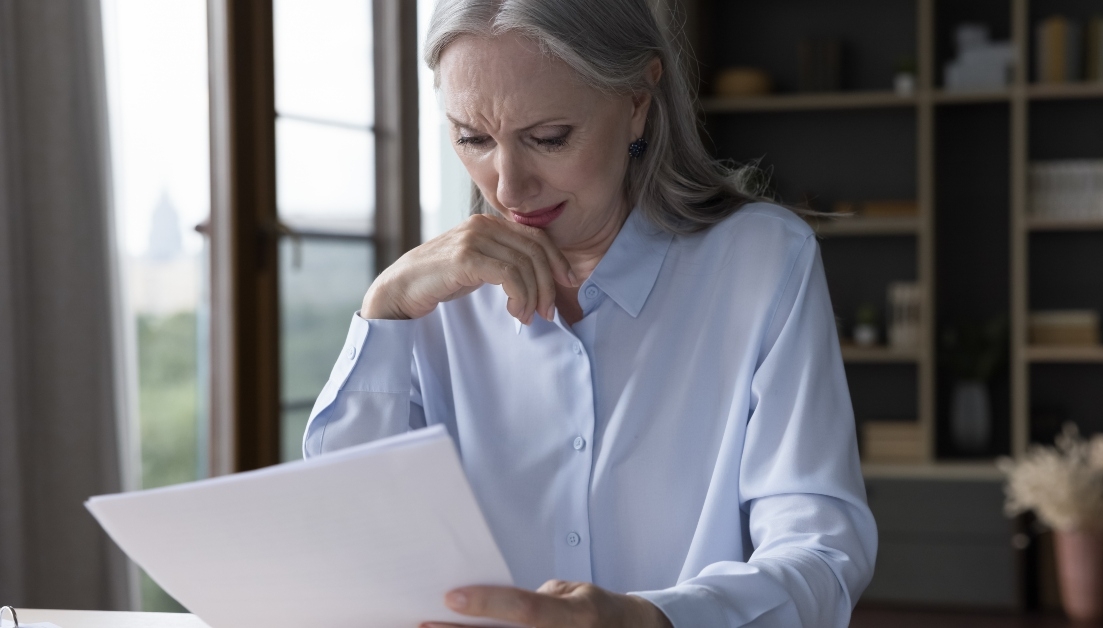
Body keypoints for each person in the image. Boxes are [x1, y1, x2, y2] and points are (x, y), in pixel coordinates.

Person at [303, 0, 877, 626]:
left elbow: (821, 552)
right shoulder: (436, 300)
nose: (508, 188)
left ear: (637, 101)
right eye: (473, 138)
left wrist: (651, 619)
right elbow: (348, 538)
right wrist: (384, 312)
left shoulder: (761, 260)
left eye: (548, 138)